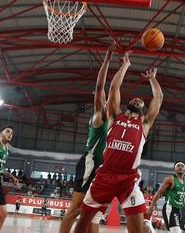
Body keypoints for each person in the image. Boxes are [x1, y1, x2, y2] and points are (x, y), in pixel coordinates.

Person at [74, 50, 164, 233]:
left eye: (141, 101)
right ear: (129, 104)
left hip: (128, 179)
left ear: (143, 109)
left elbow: (159, 98)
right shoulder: (115, 117)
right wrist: (125, 65)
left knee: (138, 230)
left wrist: (152, 79)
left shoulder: (144, 123)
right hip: (105, 175)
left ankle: (147, 227)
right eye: (135, 99)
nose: (138, 99)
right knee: (83, 221)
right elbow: (114, 88)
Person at [59, 44, 115, 233]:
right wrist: (107, 61)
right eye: (103, 98)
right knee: (74, 210)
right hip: (89, 163)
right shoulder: (99, 116)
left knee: (93, 214)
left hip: (101, 167)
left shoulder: (112, 120)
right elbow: (100, 87)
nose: (106, 100)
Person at [145, 161, 185, 233]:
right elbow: (159, 193)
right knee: (176, 231)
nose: (180, 167)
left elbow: (184, 197)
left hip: (178, 210)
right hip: (170, 208)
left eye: (182, 166)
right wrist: (151, 207)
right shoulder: (170, 179)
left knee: (172, 231)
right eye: (178, 166)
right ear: (174, 169)